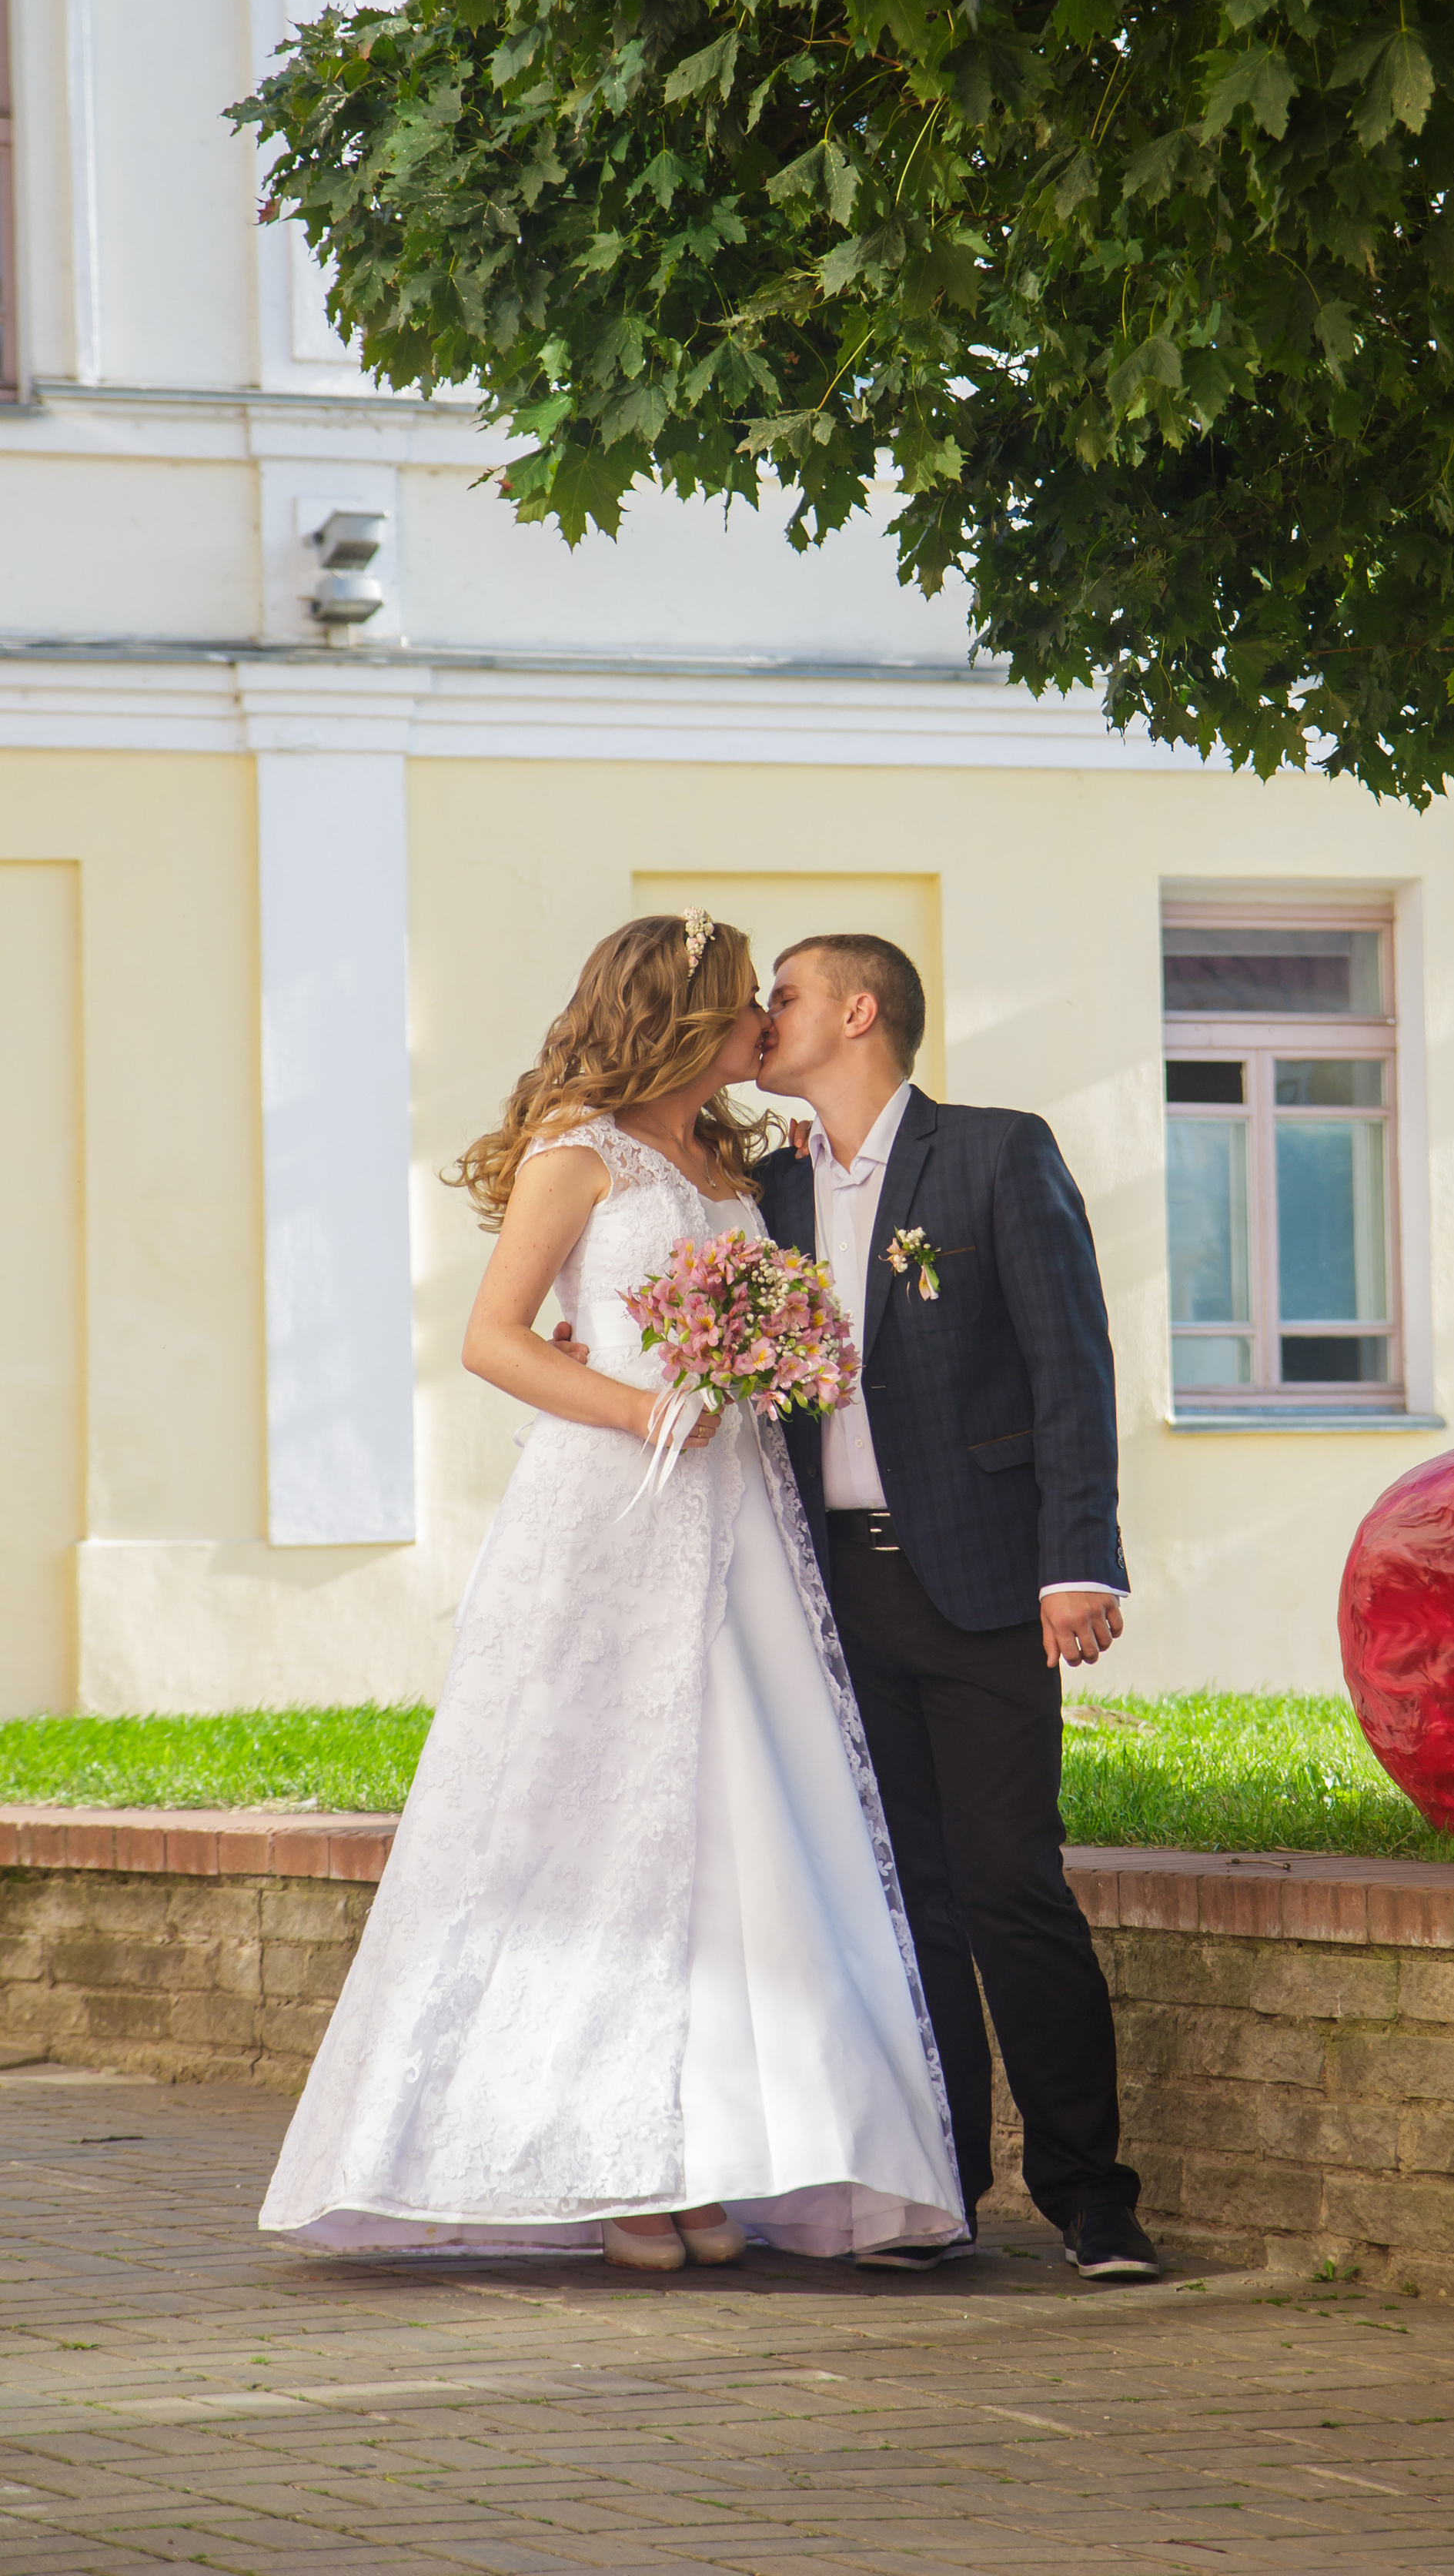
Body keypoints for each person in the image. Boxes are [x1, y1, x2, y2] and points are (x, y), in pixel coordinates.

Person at [258, 912, 965, 2272]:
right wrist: (638, 1403)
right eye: (745, 996)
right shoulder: (578, 1154)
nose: (767, 1015)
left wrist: (772, 1363)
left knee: (739, 1829)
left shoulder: (741, 1161)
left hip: (738, 1517)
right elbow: (492, 1341)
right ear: (686, 1011)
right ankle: (611, 2163)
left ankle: (709, 2159)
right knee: (586, 1821)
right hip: (607, 1510)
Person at [754, 933, 1158, 2282]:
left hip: (986, 1585)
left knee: (1008, 1887)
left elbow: (1071, 1367)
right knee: (899, 1898)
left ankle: (1094, 2197)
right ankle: (938, 2193)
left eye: (787, 993)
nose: (766, 1015)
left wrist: (1078, 1561)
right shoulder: (762, 1192)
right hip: (830, 1591)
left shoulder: (994, 1153)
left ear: (859, 1011)